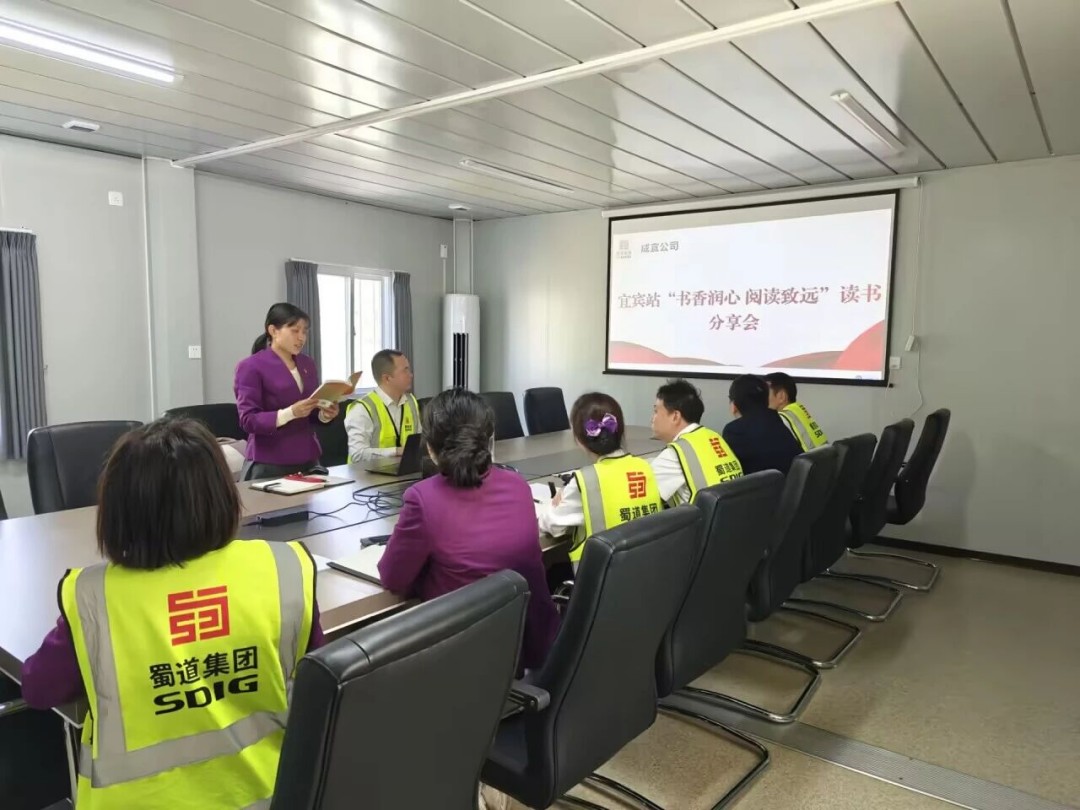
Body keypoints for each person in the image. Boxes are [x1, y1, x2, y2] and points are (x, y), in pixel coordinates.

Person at [21, 418, 322, 809]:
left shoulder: (96, 597)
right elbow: (317, 676)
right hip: (266, 795)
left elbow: (38, 688)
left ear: (118, 511)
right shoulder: (281, 570)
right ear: (221, 495)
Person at [377, 388, 559, 670]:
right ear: (488, 440)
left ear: (430, 447)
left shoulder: (422, 498)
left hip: (457, 658)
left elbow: (393, 578)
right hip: (521, 646)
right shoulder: (518, 485)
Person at [537, 392, 664, 567]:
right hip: (649, 570)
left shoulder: (586, 482)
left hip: (603, 578)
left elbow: (549, 525)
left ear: (579, 438)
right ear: (620, 431)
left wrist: (555, 502)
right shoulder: (646, 467)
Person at [234, 303, 337, 480]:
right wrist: (290, 413)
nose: (301, 337)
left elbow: (310, 410)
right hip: (270, 461)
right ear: (273, 331)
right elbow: (248, 420)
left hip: (308, 459)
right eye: (295, 331)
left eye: (304, 331)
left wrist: (324, 415)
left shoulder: (307, 364)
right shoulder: (251, 366)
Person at [649, 379, 743, 506]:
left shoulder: (675, 454)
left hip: (703, 518)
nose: (652, 418)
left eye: (656, 411)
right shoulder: (713, 437)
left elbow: (639, 495)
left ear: (675, 416)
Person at [345, 349, 420, 463]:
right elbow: (357, 455)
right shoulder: (362, 409)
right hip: (367, 473)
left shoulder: (411, 401)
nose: (411, 375)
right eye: (405, 370)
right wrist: (396, 451)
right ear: (387, 378)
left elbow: (419, 441)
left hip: (405, 469)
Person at [722, 374, 802, 474]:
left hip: (771, 484)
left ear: (734, 406)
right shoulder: (778, 420)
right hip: (792, 482)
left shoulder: (733, 431)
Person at [764, 371, 829, 450]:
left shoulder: (781, 420)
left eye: (765, 393)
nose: (760, 398)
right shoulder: (798, 411)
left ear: (781, 396)